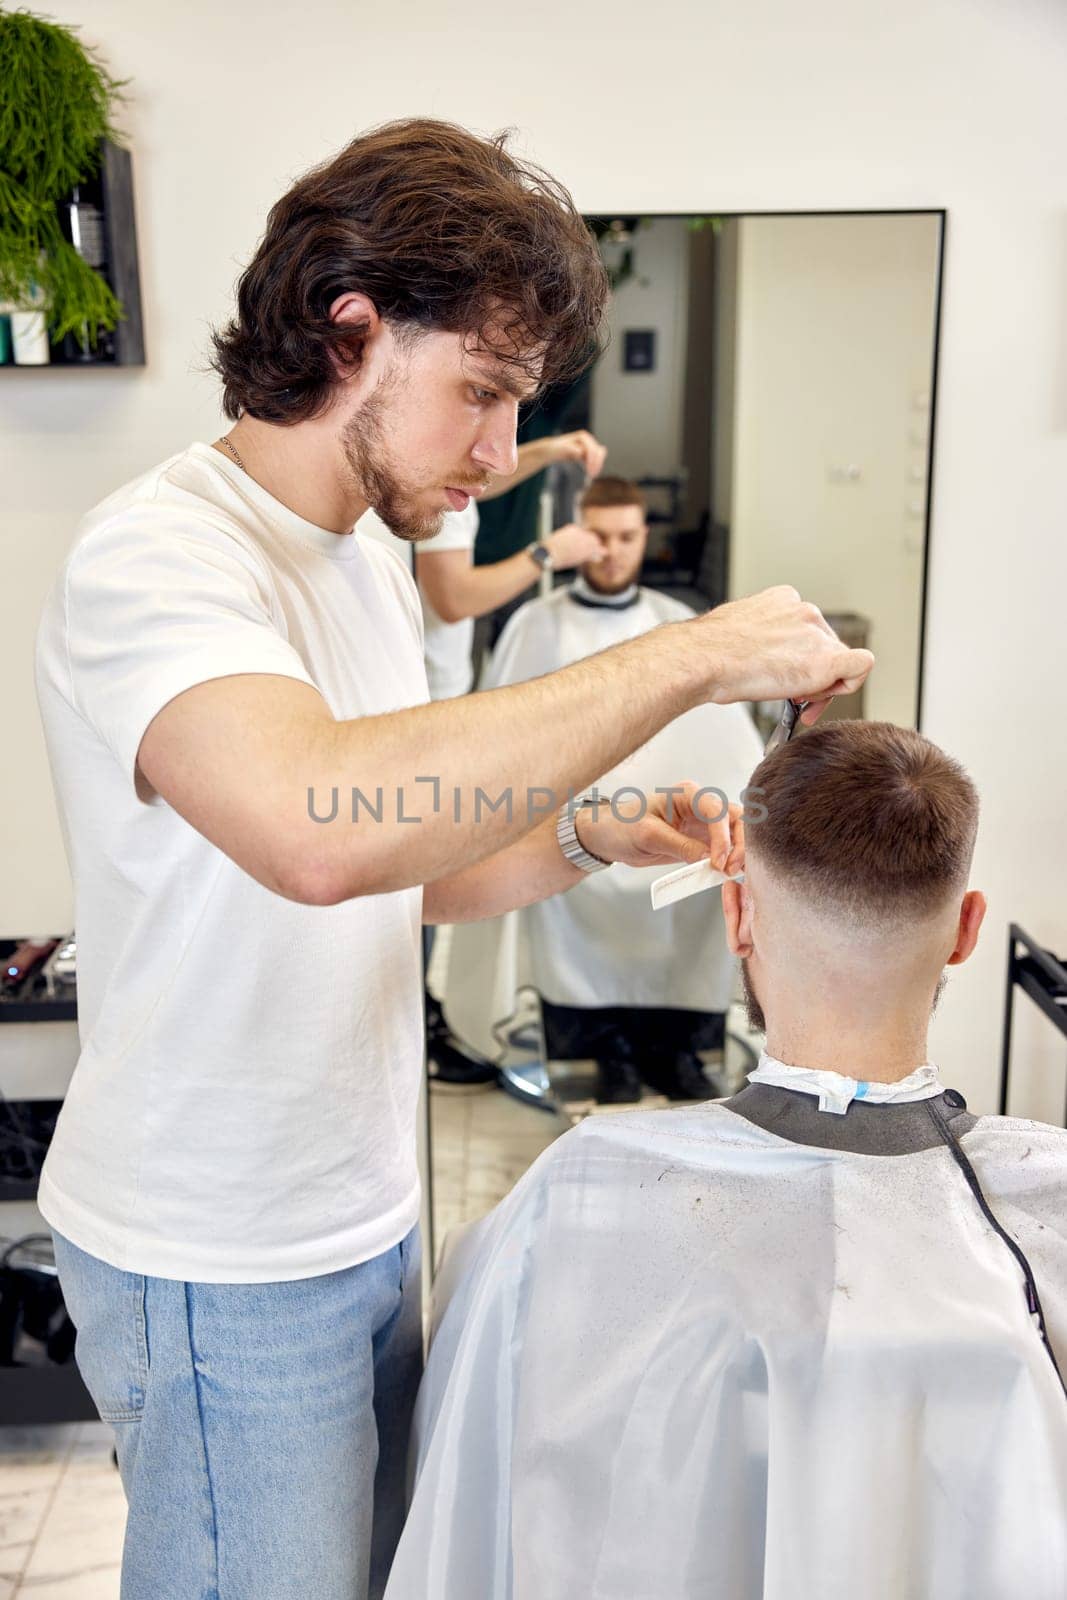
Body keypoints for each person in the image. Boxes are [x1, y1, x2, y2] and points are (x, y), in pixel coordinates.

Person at [33, 118, 872, 1600]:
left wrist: (580, 835)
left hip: (356, 1209)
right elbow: (306, 826)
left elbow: (386, 854)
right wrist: (686, 657)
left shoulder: (360, 554)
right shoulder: (158, 558)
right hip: (215, 1251)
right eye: (478, 394)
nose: (500, 453)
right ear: (348, 326)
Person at [385, 720, 1067, 1600]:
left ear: (737, 912)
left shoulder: (581, 1187)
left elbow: (471, 1511)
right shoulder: (1045, 1198)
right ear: (966, 930)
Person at [441, 476, 765, 1100]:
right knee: (577, 886)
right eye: (599, 536)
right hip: (573, 822)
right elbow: (503, 744)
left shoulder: (679, 626)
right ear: (577, 535)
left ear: (645, 537)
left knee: (702, 879)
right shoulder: (536, 624)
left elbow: (731, 749)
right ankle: (600, 1050)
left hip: (669, 820)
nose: (613, 551)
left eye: (626, 537)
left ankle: (677, 1049)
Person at [359, 429, 607, 701]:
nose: (504, 460)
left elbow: (478, 482)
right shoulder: (439, 481)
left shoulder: (440, 465)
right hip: (431, 687)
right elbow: (454, 600)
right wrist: (550, 553)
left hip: (440, 673)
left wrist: (549, 450)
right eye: (487, 396)